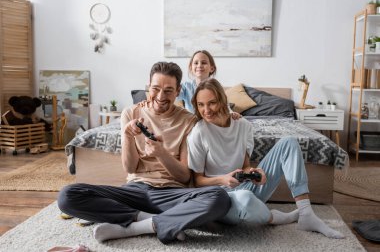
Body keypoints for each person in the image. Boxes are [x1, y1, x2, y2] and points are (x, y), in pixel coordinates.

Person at [58, 62, 231, 244]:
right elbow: (130, 167)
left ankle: (137, 226)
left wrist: (161, 154)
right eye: (155, 89)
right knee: (67, 196)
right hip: (135, 191)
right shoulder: (131, 113)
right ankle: (156, 220)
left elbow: (184, 177)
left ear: (178, 90)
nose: (161, 96)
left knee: (219, 198)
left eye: (168, 91)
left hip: (171, 194)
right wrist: (126, 134)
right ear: (148, 86)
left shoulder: (189, 121)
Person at [186, 78, 344, 239]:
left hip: (246, 187)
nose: (206, 110)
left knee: (289, 142)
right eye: (201, 105)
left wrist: (255, 172)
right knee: (245, 198)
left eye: (211, 103)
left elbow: (245, 165)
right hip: (221, 199)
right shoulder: (199, 133)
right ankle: (275, 218)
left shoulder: (243, 125)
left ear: (222, 100)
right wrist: (223, 180)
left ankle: (306, 212)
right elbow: (197, 181)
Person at [177, 50, 240, 119]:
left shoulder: (216, 87)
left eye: (203, 63)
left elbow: (225, 105)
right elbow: (174, 94)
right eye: (196, 63)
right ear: (191, 68)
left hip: (210, 123)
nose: (199, 65)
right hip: (192, 123)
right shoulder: (186, 86)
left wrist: (231, 113)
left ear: (212, 68)